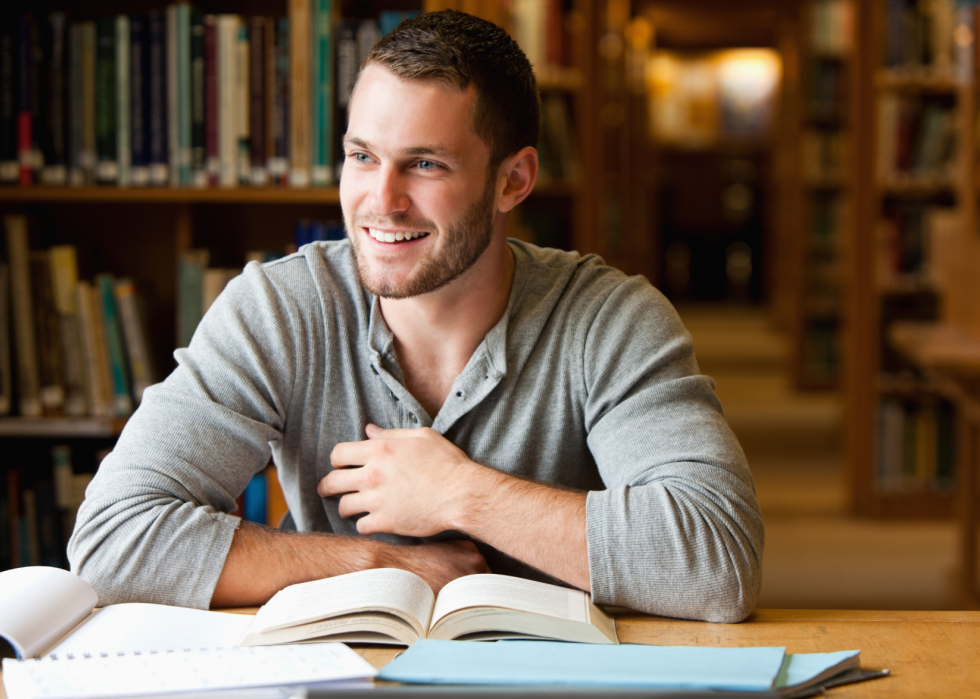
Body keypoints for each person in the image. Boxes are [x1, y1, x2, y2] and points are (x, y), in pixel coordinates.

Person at [68, 10, 764, 623]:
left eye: (424, 164)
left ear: (512, 180)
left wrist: (460, 492)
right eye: (361, 156)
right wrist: (374, 563)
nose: (381, 200)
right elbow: (112, 540)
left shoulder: (611, 318)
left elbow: (717, 560)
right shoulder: (279, 309)